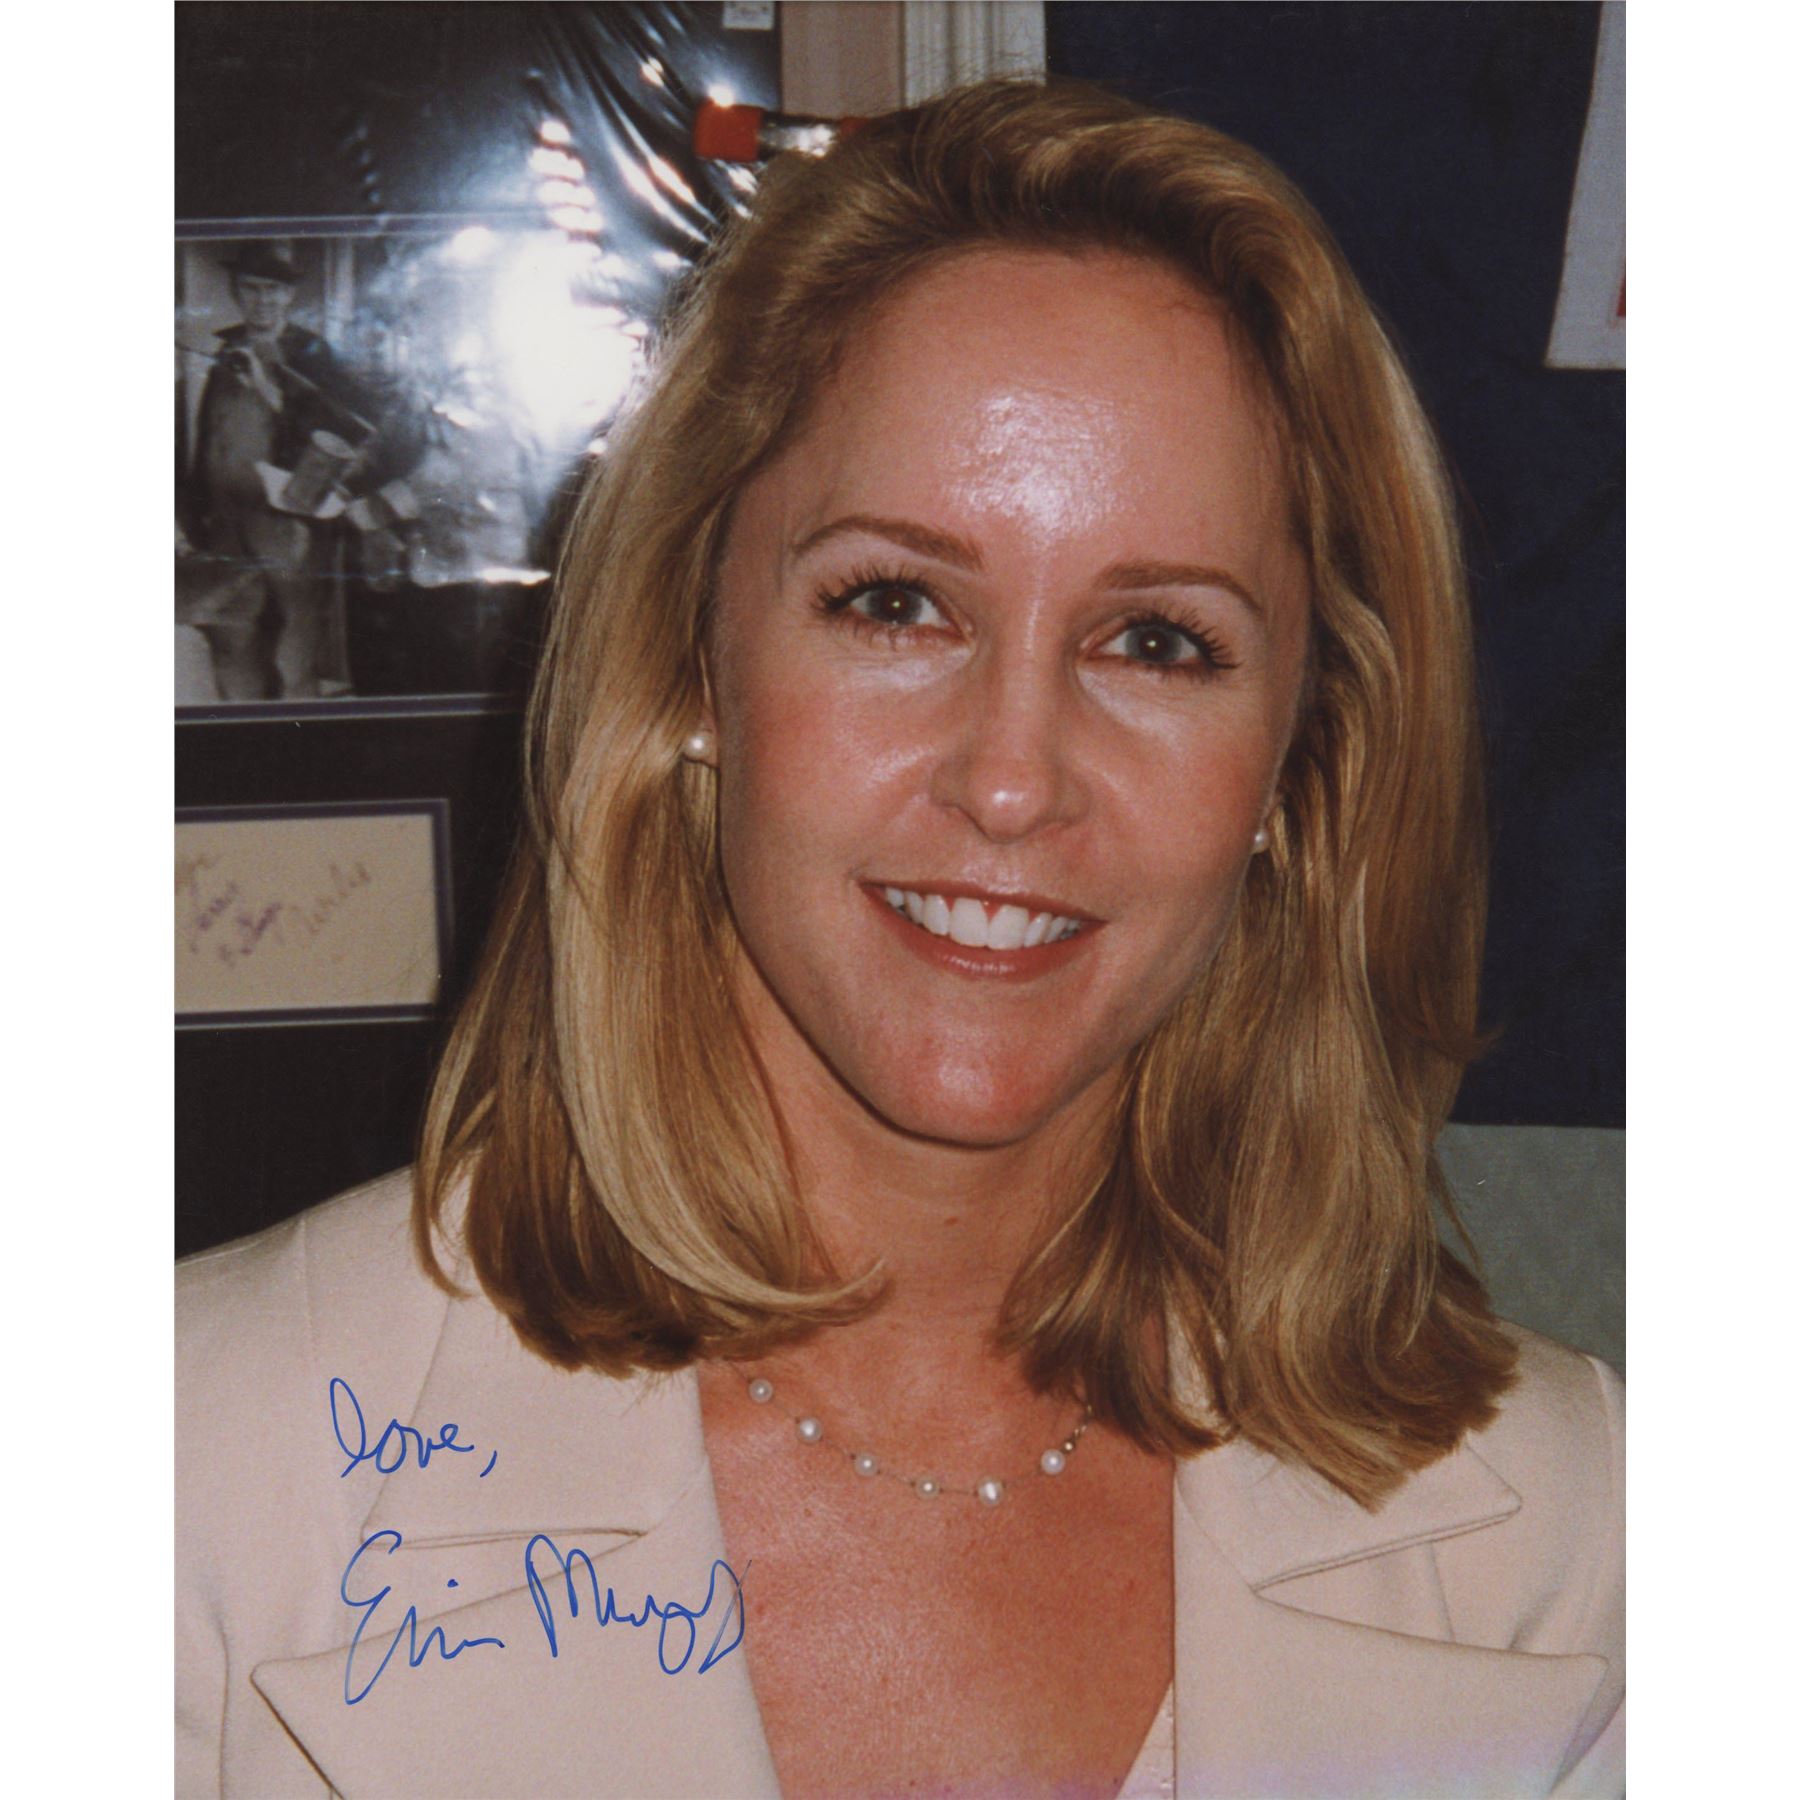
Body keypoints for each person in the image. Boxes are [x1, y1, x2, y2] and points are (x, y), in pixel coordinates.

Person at [177, 81, 1622, 1797]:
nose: (1011, 780)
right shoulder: (167, 1466)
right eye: (896, 603)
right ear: (689, 667)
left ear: (1299, 766)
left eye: (1158, 641)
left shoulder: (1591, 1540)